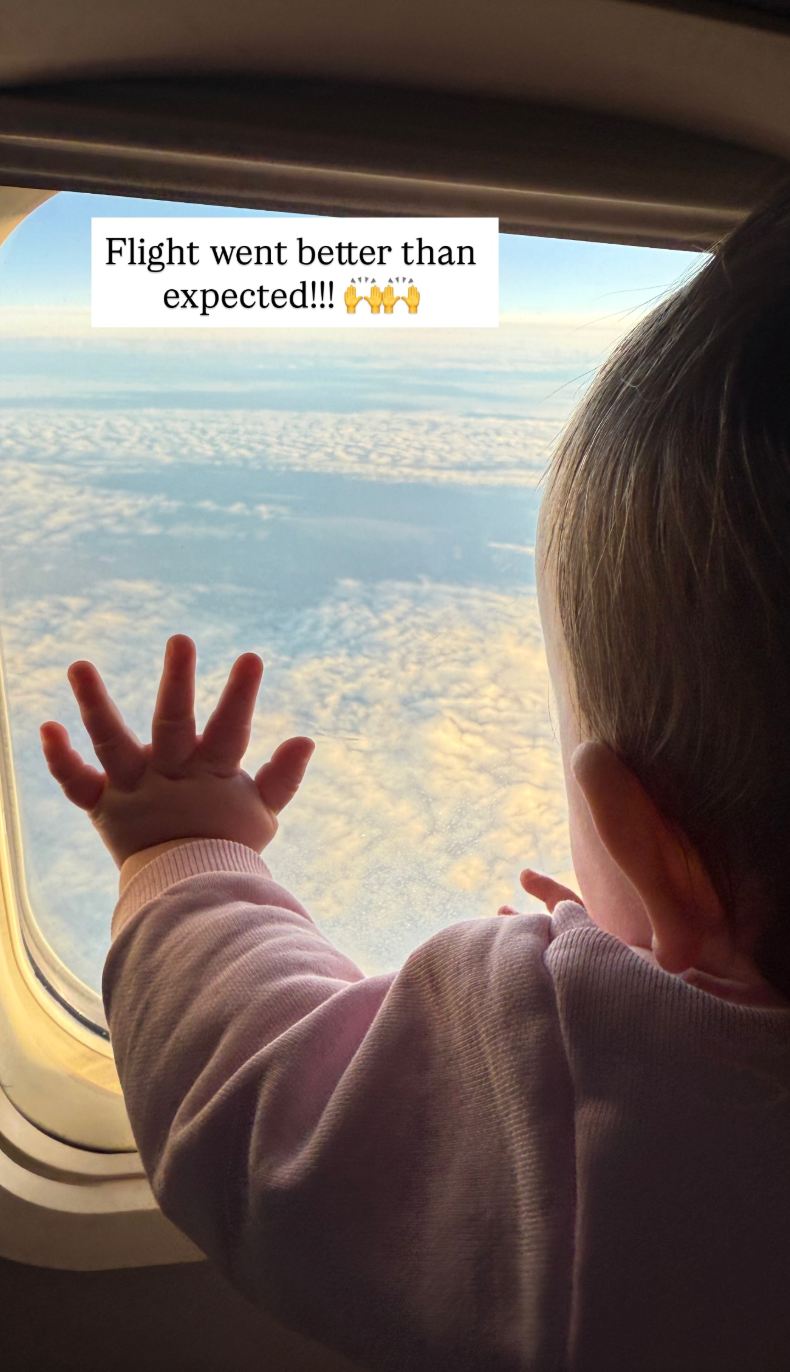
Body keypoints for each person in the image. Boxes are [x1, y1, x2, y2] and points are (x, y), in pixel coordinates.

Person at [39, 178, 790, 1372]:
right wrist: (670, 931)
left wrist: (181, 853)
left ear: (656, 849)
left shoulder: (597, 1094)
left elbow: (253, 1098)